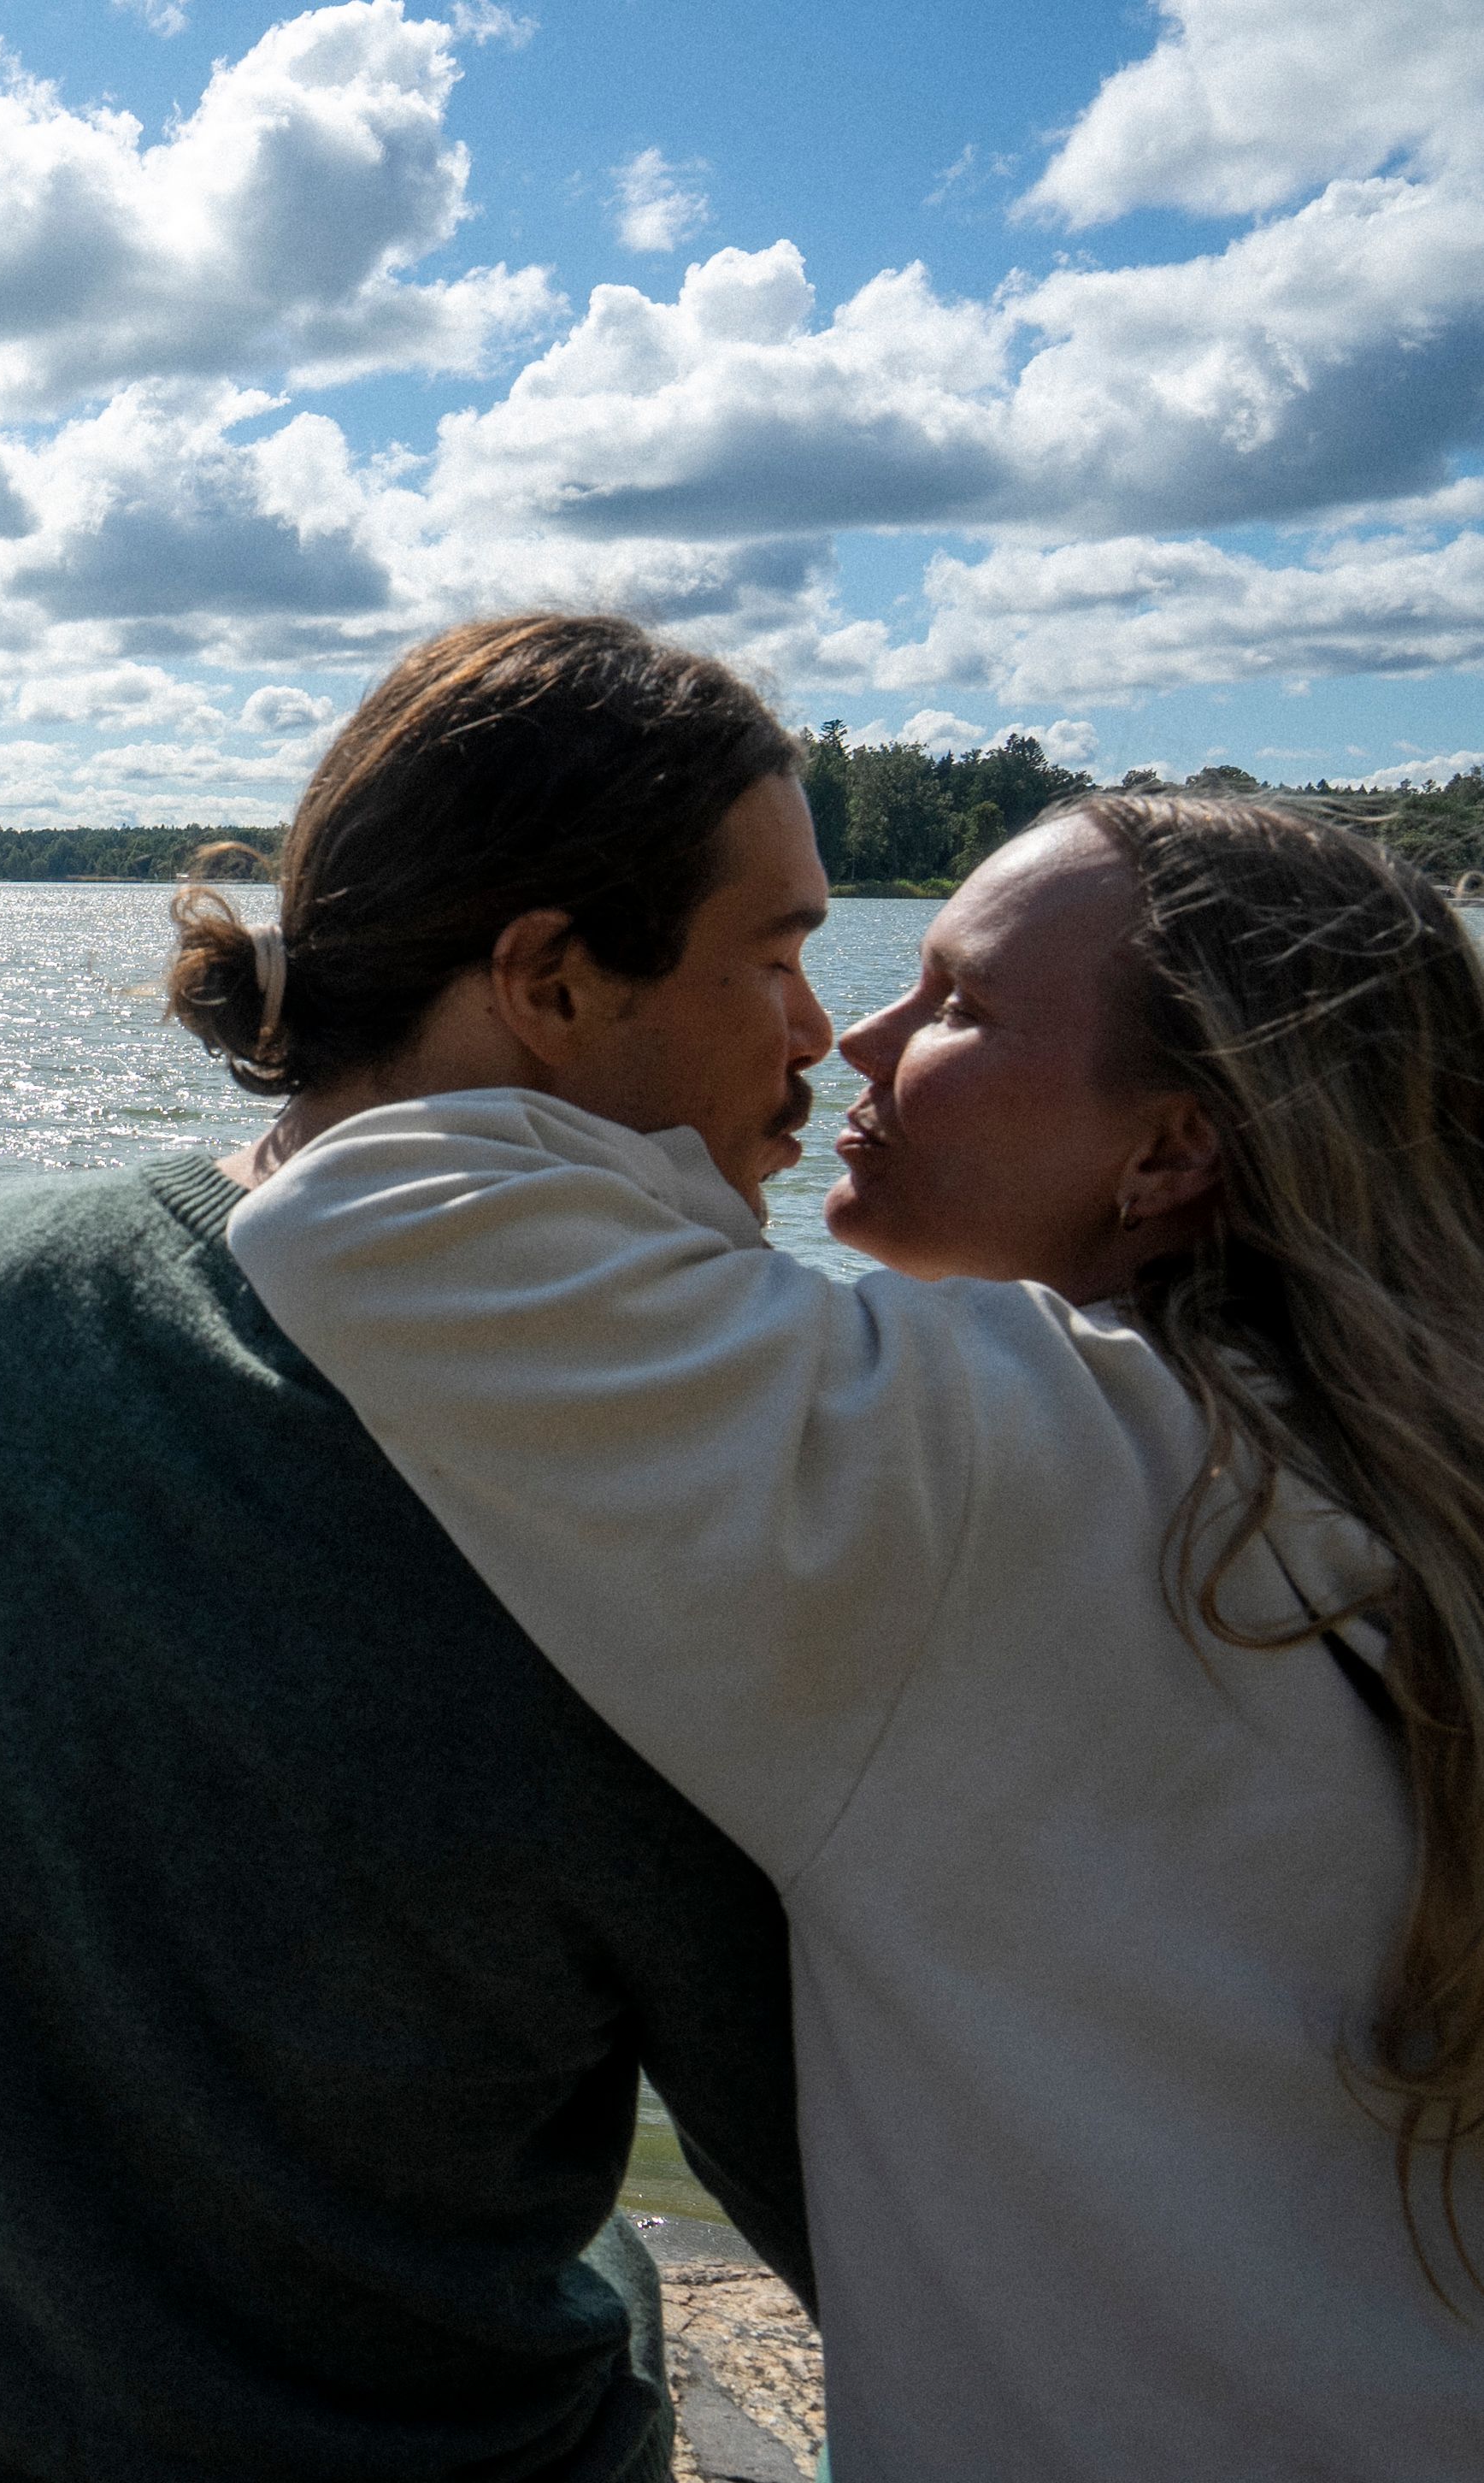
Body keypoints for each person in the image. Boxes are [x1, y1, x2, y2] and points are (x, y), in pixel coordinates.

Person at [0, 614, 825, 2482]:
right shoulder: (616, 1471)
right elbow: (884, 2206)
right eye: (775, 954)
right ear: (545, 976)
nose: (820, 1033)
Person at [227, 797, 1484, 2475]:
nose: (859, 1031)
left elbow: (365, 1214)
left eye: (957, 1007)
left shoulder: (1005, 1483)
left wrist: (638, 1107)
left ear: (1175, 1152)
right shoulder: (1408, 1472)